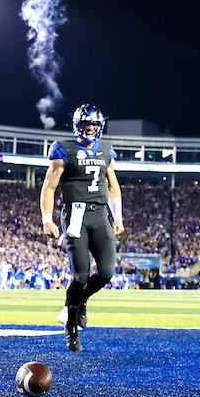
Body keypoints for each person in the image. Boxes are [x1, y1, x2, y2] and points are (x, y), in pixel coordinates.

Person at [41, 104, 125, 352]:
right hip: (76, 215)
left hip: (100, 214)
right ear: (77, 125)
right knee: (80, 276)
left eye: (94, 124)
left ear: (100, 126)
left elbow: (113, 186)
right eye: (86, 124)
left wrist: (117, 217)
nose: (90, 128)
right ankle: (71, 325)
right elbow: (49, 186)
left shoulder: (106, 149)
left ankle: (80, 302)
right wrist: (47, 219)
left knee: (107, 272)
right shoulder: (63, 147)